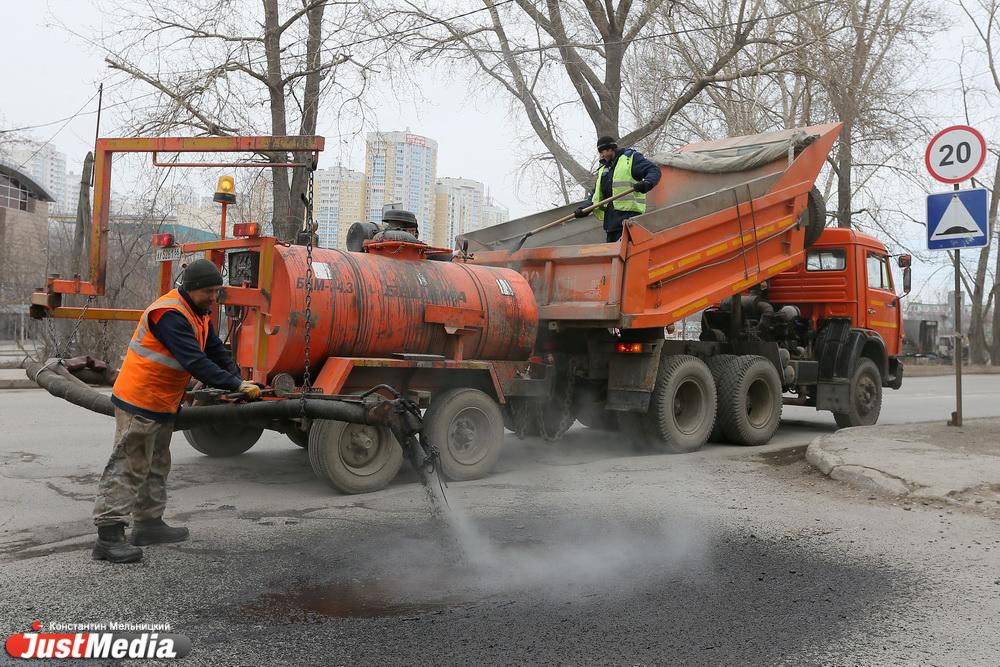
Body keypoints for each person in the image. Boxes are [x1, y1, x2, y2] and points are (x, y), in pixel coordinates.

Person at [92, 259, 261, 563]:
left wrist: (238, 376)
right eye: (209, 291)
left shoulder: (197, 314)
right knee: (129, 465)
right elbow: (195, 362)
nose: (214, 298)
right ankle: (108, 536)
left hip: (162, 402)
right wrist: (235, 385)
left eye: (216, 291)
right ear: (192, 288)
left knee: (157, 464)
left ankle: (149, 524)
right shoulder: (169, 314)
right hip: (140, 399)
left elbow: (215, 350)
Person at [574, 136, 661, 242]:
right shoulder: (603, 170)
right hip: (611, 225)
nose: (602, 155)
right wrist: (583, 209)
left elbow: (654, 170)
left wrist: (647, 183)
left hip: (629, 221)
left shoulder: (630, 159)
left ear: (611, 148)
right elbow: (595, 196)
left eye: (603, 152)